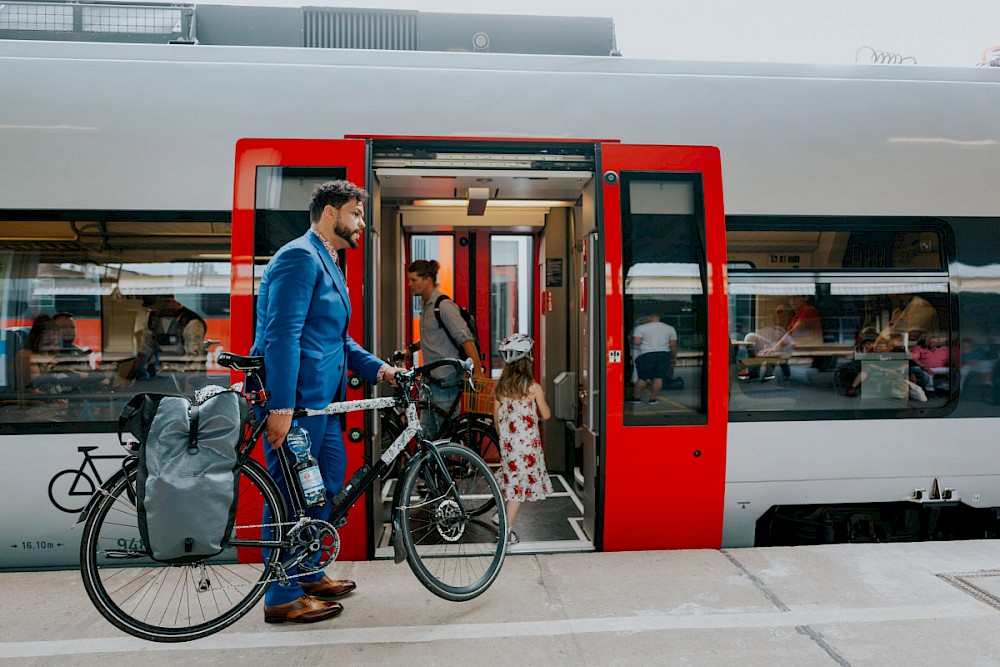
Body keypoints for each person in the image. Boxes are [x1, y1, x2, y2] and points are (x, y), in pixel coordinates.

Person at [251, 179, 400, 624]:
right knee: (288, 493)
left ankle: (307, 570)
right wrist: (279, 406)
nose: (361, 222)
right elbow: (282, 335)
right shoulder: (299, 256)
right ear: (331, 212)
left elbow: (339, 339)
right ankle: (281, 595)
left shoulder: (329, 261)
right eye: (356, 213)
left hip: (324, 404)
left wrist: (381, 370)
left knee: (328, 484)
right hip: (294, 403)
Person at [404, 259, 484, 438]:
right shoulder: (427, 305)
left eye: (414, 280)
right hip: (430, 383)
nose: (409, 284)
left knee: (446, 438)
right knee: (427, 437)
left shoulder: (444, 306)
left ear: (427, 280)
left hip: (445, 383)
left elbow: (466, 340)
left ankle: (453, 465)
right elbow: (431, 337)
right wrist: (410, 350)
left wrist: (477, 372)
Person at [491, 333, 552, 545]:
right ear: (527, 361)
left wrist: (504, 437)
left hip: (509, 446)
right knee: (517, 489)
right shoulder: (533, 388)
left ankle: (502, 516)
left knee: (511, 480)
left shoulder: (500, 388)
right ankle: (506, 532)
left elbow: (496, 417)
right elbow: (546, 414)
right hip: (527, 448)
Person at [628, 312, 678, 403]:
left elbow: (636, 342)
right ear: (659, 317)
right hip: (663, 354)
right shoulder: (670, 328)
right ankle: (653, 399)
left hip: (646, 354)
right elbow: (673, 345)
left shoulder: (640, 328)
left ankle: (637, 398)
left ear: (649, 317)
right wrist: (674, 357)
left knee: (642, 378)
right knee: (658, 377)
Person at [758, 295, 822, 355]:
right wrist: (780, 318)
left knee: (751, 337)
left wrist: (775, 348)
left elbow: (792, 333)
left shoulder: (808, 310)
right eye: (790, 298)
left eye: (796, 297)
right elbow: (781, 335)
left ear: (805, 298)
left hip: (802, 349)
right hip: (791, 348)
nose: (792, 300)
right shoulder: (795, 316)